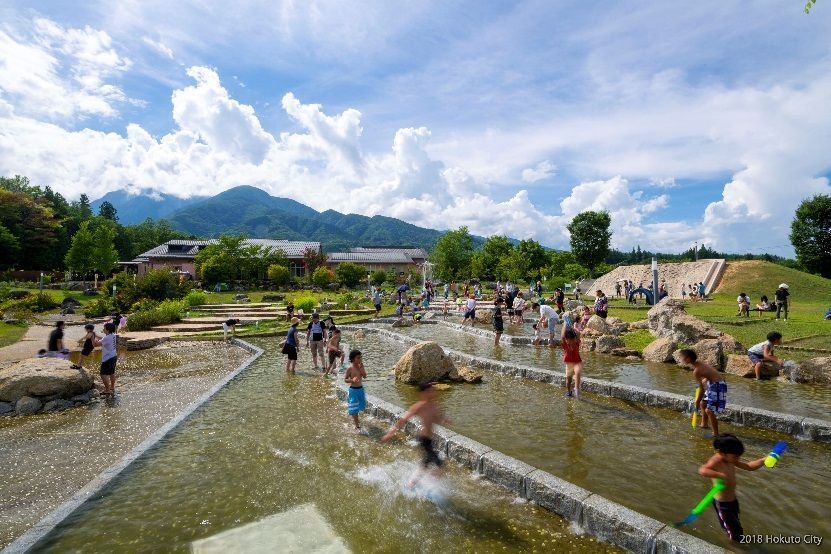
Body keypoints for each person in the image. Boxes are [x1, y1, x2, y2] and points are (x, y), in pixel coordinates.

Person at [697, 434, 765, 544]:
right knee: (733, 533)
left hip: (732, 500)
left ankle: (734, 538)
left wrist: (764, 460)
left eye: (738, 457)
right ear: (720, 452)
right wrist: (719, 475)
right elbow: (702, 470)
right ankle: (735, 548)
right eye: (735, 457)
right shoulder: (716, 461)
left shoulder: (730, 458)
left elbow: (749, 466)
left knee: (735, 526)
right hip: (723, 504)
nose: (737, 459)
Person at [382, 382, 451, 487]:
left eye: (433, 390)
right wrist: (391, 433)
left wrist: (443, 420)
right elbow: (403, 419)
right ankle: (424, 483)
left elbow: (436, 418)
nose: (433, 392)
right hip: (423, 438)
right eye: (430, 390)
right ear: (423, 393)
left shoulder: (435, 405)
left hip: (429, 439)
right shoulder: (419, 406)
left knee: (426, 464)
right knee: (440, 465)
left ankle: (413, 483)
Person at [678, 349, 726, 437]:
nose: (680, 359)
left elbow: (702, 389)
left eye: (681, 358)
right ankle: (704, 424)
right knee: (703, 404)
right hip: (712, 383)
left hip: (718, 386)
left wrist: (696, 401)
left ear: (688, 359)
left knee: (709, 410)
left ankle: (716, 434)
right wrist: (706, 380)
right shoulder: (699, 363)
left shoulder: (696, 371)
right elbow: (710, 372)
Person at [344, 350, 367, 433]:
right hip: (353, 390)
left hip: (360, 390)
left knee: (360, 407)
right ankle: (357, 426)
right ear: (353, 359)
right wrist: (352, 380)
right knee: (354, 408)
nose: (360, 359)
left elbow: (364, 376)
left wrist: (361, 369)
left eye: (361, 357)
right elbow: (345, 380)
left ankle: (356, 421)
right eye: (358, 358)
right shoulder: (350, 368)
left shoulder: (361, 366)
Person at [94, 322, 118, 396]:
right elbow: (103, 339)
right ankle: (112, 388)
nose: (103, 329)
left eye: (104, 328)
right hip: (114, 356)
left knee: (103, 374)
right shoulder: (113, 335)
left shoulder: (106, 338)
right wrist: (97, 336)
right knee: (111, 373)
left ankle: (107, 390)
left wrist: (93, 338)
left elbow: (95, 344)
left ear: (107, 330)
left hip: (108, 358)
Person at [561, 319, 582, 398]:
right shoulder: (565, 345)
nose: (570, 342)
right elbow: (563, 336)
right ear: (566, 340)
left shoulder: (577, 343)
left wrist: (573, 328)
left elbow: (578, 333)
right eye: (568, 340)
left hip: (577, 362)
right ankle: (569, 391)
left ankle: (577, 389)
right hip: (569, 364)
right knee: (568, 380)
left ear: (574, 339)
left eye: (572, 340)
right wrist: (564, 325)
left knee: (577, 373)